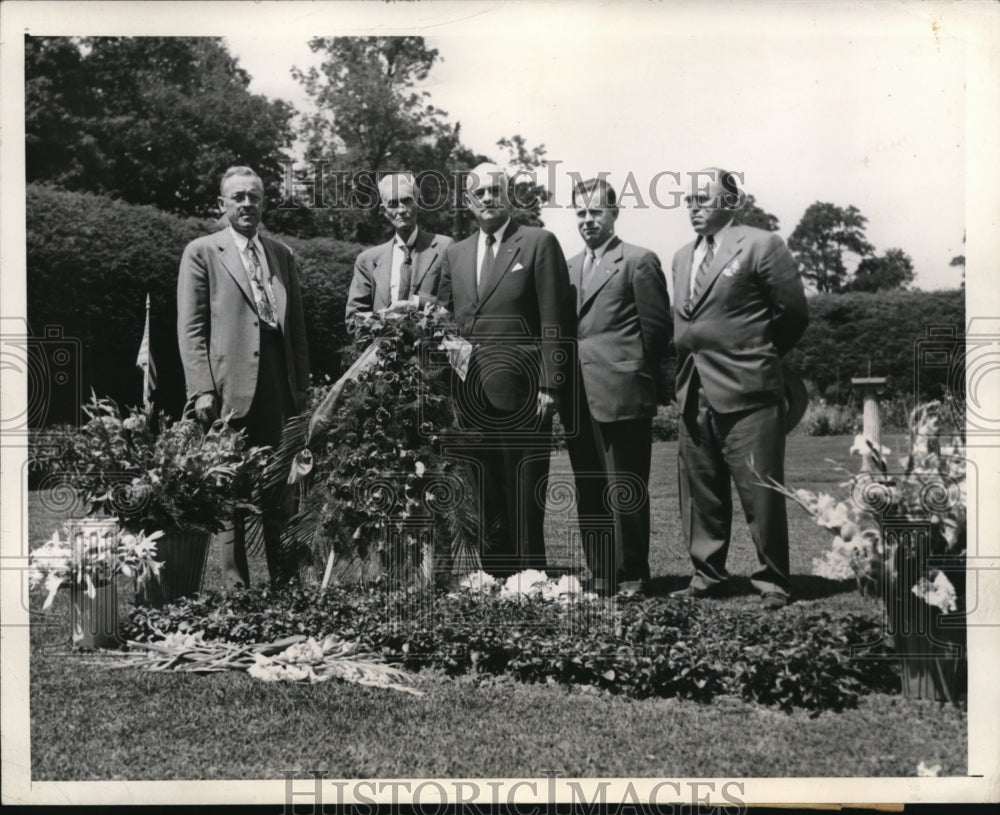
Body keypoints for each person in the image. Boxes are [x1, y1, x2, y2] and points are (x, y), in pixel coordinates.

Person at [671, 168, 808, 609]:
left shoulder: (761, 244)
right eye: (688, 199)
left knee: (760, 491)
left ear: (731, 202)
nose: (693, 206)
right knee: (702, 492)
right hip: (694, 390)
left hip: (749, 391)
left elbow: (792, 314)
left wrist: (755, 358)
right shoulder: (680, 257)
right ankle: (707, 575)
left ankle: (773, 582)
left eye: (703, 198)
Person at [177, 166, 310, 588]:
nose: (247, 203)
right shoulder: (202, 252)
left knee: (279, 492)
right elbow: (191, 328)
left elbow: (299, 332)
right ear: (222, 204)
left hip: (278, 387)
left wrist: (301, 391)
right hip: (226, 388)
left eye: (254, 196)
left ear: (264, 202)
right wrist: (201, 390)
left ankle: (287, 588)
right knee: (230, 491)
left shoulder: (281, 254)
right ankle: (238, 592)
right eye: (238, 197)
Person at [435, 162, 571, 576]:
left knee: (525, 488)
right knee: (484, 490)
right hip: (470, 394)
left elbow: (556, 318)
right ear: (468, 201)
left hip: (525, 391)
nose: (488, 198)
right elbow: (441, 319)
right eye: (480, 192)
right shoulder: (455, 254)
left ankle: (530, 577)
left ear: (509, 195)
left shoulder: (537, 242)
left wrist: (551, 383)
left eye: (496, 190)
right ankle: (496, 577)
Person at [563, 178, 672, 596]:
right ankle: (602, 573)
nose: (588, 220)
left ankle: (633, 575)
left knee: (624, 487)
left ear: (614, 214)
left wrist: (631, 371)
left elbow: (657, 331)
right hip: (578, 396)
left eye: (596, 212)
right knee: (589, 488)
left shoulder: (638, 260)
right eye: (581, 213)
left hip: (622, 392)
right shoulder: (568, 267)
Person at [345, 173, 454, 325]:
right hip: (383, 346)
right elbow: (353, 319)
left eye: (406, 200)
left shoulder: (445, 248)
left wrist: (415, 304)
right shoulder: (367, 261)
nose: (401, 209)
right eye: (393, 203)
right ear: (384, 211)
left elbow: (455, 306)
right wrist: (384, 320)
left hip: (432, 346)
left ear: (417, 203)